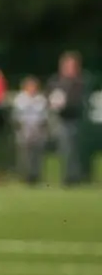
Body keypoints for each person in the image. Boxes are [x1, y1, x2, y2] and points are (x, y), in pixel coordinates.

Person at [46, 51, 90, 186]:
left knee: (74, 148)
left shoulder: (82, 80)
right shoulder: (55, 81)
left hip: (75, 118)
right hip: (59, 119)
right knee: (64, 148)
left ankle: (75, 176)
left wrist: (65, 104)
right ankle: (67, 176)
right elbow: (48, 96)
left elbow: (80, 100)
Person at [12, 76, 49, 185]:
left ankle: (36, 176)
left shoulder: (41, 99)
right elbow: (15, 117)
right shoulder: (19, 99)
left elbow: (45, 117)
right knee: (24, 156)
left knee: (37, 155)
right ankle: (25, 176)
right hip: (24, 131)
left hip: (38, 131)